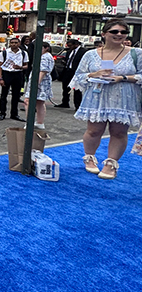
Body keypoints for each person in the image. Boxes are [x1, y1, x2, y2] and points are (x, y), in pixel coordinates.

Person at [70, 19, 142, 179]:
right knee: (94, 130)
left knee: (119, 132)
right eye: (115, 32)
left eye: (123, 32)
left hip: (124, 98)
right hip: (97, 97)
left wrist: (122, 77)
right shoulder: (90, 54)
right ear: (104, 34)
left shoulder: (137, 53)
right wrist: (93, 75)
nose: (119, 35)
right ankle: (89, 157)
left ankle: (111, 163)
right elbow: (78, 76)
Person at [23, 42, 54, 129]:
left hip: (40, 82)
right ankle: (40, 122)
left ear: (46, 48)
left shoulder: (45, 57)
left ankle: (30, 122)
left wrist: (36, 83)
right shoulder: (46, 56)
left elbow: (43, 71)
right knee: (40, 102)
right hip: (43, 82)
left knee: (28, 101)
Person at [0, 37, 28, 121]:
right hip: (7, 74)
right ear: (9, 44)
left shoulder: (23, 53)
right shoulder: (4, 53)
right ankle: (2, 113)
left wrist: (20, 67)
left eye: (16, 42)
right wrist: (0, 78)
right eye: (12, 43)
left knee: (16, 96)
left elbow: (26, 65)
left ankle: (14, 114)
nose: (14, 44)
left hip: (18, 74)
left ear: (19, 43)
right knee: (4, 95)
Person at [54, 39, 86, 110]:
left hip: (76, 72)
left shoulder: (83, 51)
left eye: (70, 45)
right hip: (68, 70)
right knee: (65, 87)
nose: (69, 47)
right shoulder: (69, 52)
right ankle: (65, 102)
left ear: (76, 45)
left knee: (76, 89)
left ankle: (77, 105)